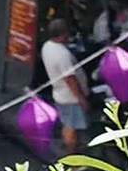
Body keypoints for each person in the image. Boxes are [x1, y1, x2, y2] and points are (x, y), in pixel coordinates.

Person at [38, 18, 92, 146]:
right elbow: (70, 79)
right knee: (70, 127)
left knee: (68, 124)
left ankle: (73, 145)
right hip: (70, 98)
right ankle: (72, 156)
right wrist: (81, 99)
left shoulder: (47, 46)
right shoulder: (62, 55)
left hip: (60, 93)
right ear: (62, 34)